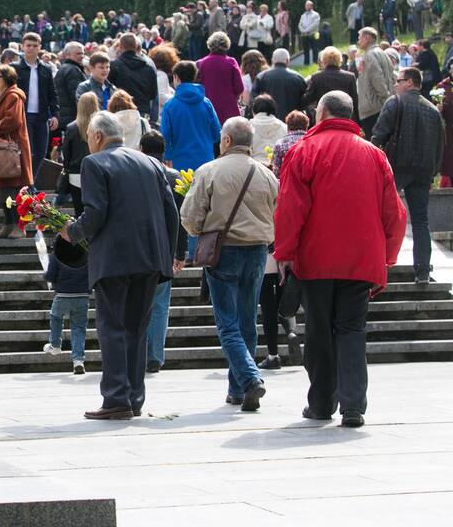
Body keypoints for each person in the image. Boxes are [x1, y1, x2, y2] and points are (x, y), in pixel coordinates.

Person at [275, 91, 406, 428]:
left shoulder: (303, 151)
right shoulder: (375, 155)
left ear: (322, 113)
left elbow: (290, 209)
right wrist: (387, 257)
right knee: (352, 329)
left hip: (316, 259)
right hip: (362, 258)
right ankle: (352, 406)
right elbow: (394, 213)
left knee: (318, 330)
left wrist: (285, 253)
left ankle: (320, 403)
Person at [59, 112, 176, 420]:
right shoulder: (151, 163)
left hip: (114, 259)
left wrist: (72, 231)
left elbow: (96, 212)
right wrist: (171, 254)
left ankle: (115, 397)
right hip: (150, 259)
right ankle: (134, 397)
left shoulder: (94, 163)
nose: (88, 146)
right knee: (137, 328)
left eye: (88, 140)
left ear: (97, 136)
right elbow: (170, 212)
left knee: (112, 327)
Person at [181, 117, 279, 411]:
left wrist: (200, 231)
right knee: (248, 320)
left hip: (224, 251)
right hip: (258, 251)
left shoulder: (210, 170)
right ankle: (237, 390)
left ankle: (250, 380)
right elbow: (276, 208)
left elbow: (190, 215)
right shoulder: (266, 174)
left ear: (226, 141)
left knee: (228, 324)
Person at [371, 67, 444, 285]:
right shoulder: (433, 110)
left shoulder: (395, 102)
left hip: (396, 167)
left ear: (410, 82)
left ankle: (378, 266)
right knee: (421, 221)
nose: (395, 84)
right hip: (423, 170)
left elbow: (378, 135)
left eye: (399, 80)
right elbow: (440, 145)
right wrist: (432, 171)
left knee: (381, 216)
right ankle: (422, 271)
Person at [138, 130, 187, 374]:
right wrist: (180, 252)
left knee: (139, 303)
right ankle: (155, 355)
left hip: (139, 249)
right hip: (165, 250)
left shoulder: (137, 174)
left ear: (141, 149)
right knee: (159, 305)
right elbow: (180, 218)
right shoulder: (174, 176)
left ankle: (138, 351)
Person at [0, 64, 33, 239]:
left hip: (12, 151)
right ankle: (8, 224)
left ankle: (20, 226)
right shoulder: (0, 97)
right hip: (2, 150)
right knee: (4, 191)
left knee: (13, 191)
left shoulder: (13, 96)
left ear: (7, 78)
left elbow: (14, 121)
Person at [42, 236, 91, 375]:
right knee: (79, 328)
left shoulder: (56, 257)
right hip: (82, 296)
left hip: (62, 295)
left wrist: (45, 274)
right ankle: (78, 361)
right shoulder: (87, 256)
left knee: (56, 317)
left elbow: (50, 276)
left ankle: (55, 345)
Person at [160, 61, 221, 172]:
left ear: (176, 77)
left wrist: (167, 156)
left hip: (179, 162)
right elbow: (217, 134)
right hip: (205, 159)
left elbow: (165, 136)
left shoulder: (169, 106)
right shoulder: (206, 103)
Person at [13, 33, 58, 181]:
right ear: (22, 47)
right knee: (26, 152)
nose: (31, 48)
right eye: (28, 45)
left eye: (35, 46)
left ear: (40, 48)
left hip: (41, 116)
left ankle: (31, 183)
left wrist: (55, 114)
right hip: (23, 116)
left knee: (40, 153)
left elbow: (52, 93)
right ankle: (27, 185)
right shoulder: (15, 68)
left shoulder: (46, 69)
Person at [196, 31, 244, 125]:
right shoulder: (231, 62)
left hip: (206, 108)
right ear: (227, 44)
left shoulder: (200, 63)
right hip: (229, 109)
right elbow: (240, 87)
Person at [357, 27, 395, 138]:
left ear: (367, 38)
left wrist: (386, 100)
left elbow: (377, 79)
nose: (358, 41)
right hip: (381, 105)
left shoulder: (370, 55)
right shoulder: (382, 53)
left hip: (374, 109)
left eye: (360, 38)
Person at [108, 33, 157, 117]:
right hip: (142, 111)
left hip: (121, 112)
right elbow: (153, 94)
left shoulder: (114, 66)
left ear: (120, 46)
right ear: (136, 46)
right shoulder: (148, 67)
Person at [251, 48, 306, 121]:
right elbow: (305, 101)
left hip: (267, 120)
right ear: (287, 61)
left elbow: (253, 100)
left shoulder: (261, 77)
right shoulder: (298, 78)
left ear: (272, 60)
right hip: (292, 121)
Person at [303, 47, 358, 117]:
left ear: (323, 60)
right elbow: (355, 101)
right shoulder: (350, 77)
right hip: (345, 117)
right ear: (340, 60)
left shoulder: (316, 77)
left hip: (324, 117)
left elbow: (307, 99)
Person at [54, 42, 86, 129]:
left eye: (83, 53)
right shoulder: (73, 70)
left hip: (65, 116)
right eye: (78, 53)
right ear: (67, 55)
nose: (82, 56)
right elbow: (78, 96)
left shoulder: (65, 68)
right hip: (71, 117)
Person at [249, 95, 288, 161]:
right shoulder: (284, 126)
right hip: (277, 166)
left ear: (254, 110)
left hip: (255, 167)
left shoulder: (247, 126)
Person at [272, 110, 310, 177]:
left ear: (288, 125)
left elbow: (276, 172)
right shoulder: (312, 142)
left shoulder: (280, 144)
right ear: (306, 125)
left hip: (288, 183)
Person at [298, 0, 321, 66]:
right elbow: (300, 24)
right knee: (305, 50)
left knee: (315, 48)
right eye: (306, 5)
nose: (307, 7)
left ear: (312, 6)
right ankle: (306, 63)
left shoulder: (316, 14)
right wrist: (302, 31)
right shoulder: (303, 15)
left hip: (314, 34)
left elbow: (315, 24)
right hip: (304, 35)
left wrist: (306, 30)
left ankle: (315, 62)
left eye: (308, 5)